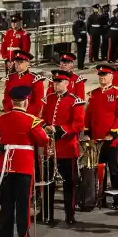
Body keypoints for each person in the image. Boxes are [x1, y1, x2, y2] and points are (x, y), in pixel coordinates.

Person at [0, 84, 50, 237]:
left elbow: (1, 134)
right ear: (26, 102)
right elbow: (43, 140)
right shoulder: (30, 120)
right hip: (22, 167)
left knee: (6, 205)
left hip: (5, 166)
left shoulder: (2, 119)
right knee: (23, 205)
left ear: (12, 102)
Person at [40, 69, 85, 225]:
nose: (55, 84)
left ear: (67, 83)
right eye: (54, 81)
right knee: (47, 183)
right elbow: (43, 118)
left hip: (66, 147)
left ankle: (70, 214)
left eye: (59, 82)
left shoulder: (75, 100)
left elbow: (78, 124)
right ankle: (46, 213)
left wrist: (59, 130)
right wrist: (46, 127)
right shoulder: (49, 99)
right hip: (50, 148)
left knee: (69, 183)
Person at [84, 63, 118, 210]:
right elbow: (88, 114)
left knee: (115, 169)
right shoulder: (94, 93)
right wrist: (88, 132)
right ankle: (100, 198)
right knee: (99, 169)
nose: (102, 78)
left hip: (112, 139)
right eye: (100, 76)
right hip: (96, 139)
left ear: (111, 76)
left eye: (105, 75)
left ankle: (117, 199)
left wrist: (113, 132)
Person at [1, 50, 45, 115]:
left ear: (27, 63)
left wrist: (25, 116)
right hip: (12, 115)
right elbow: (6, 100)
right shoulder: (10, 78)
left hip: (28, 117)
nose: (17, 64)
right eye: (15, 61)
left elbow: (38, 103)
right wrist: (9, 113)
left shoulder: (35, 79)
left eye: (20, 62)